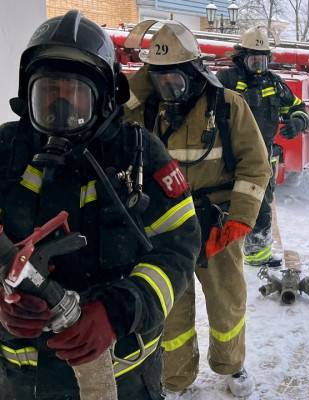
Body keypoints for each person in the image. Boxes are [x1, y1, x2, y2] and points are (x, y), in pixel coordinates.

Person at [0, 10, 201, 400]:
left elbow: (178, 248)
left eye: (74, 92)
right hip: (22, 384)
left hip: (121, 380)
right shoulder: (7, 151)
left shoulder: (139, 155)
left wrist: (120, 310)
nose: (60, 107)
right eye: (48, 93)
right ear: (28, 96)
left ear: (105, 97)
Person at [124, 20, 271, 397]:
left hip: (217, 225)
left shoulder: (227, 106)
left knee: (227, 304)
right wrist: (147, 76)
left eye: (176, 80)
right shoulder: (145, 109)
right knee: (171, 308)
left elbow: (256, 165)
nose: (169, 90)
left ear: (195, 72)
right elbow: (116, 108)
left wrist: (240, 219)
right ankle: (175, 379)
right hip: (165, 228)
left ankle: (231, 367)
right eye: (161, 80)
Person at [216, 26, 309, 267]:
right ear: (241, 58)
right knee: (226, 204)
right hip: (229, 155)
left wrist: (298, 121)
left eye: (263, 60)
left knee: (261, 205)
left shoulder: (275, 84)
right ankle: (224, 254)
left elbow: (299, 107)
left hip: (264, 157)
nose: (259, 66)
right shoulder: (225, 81)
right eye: (253, 60)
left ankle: (258, 254)